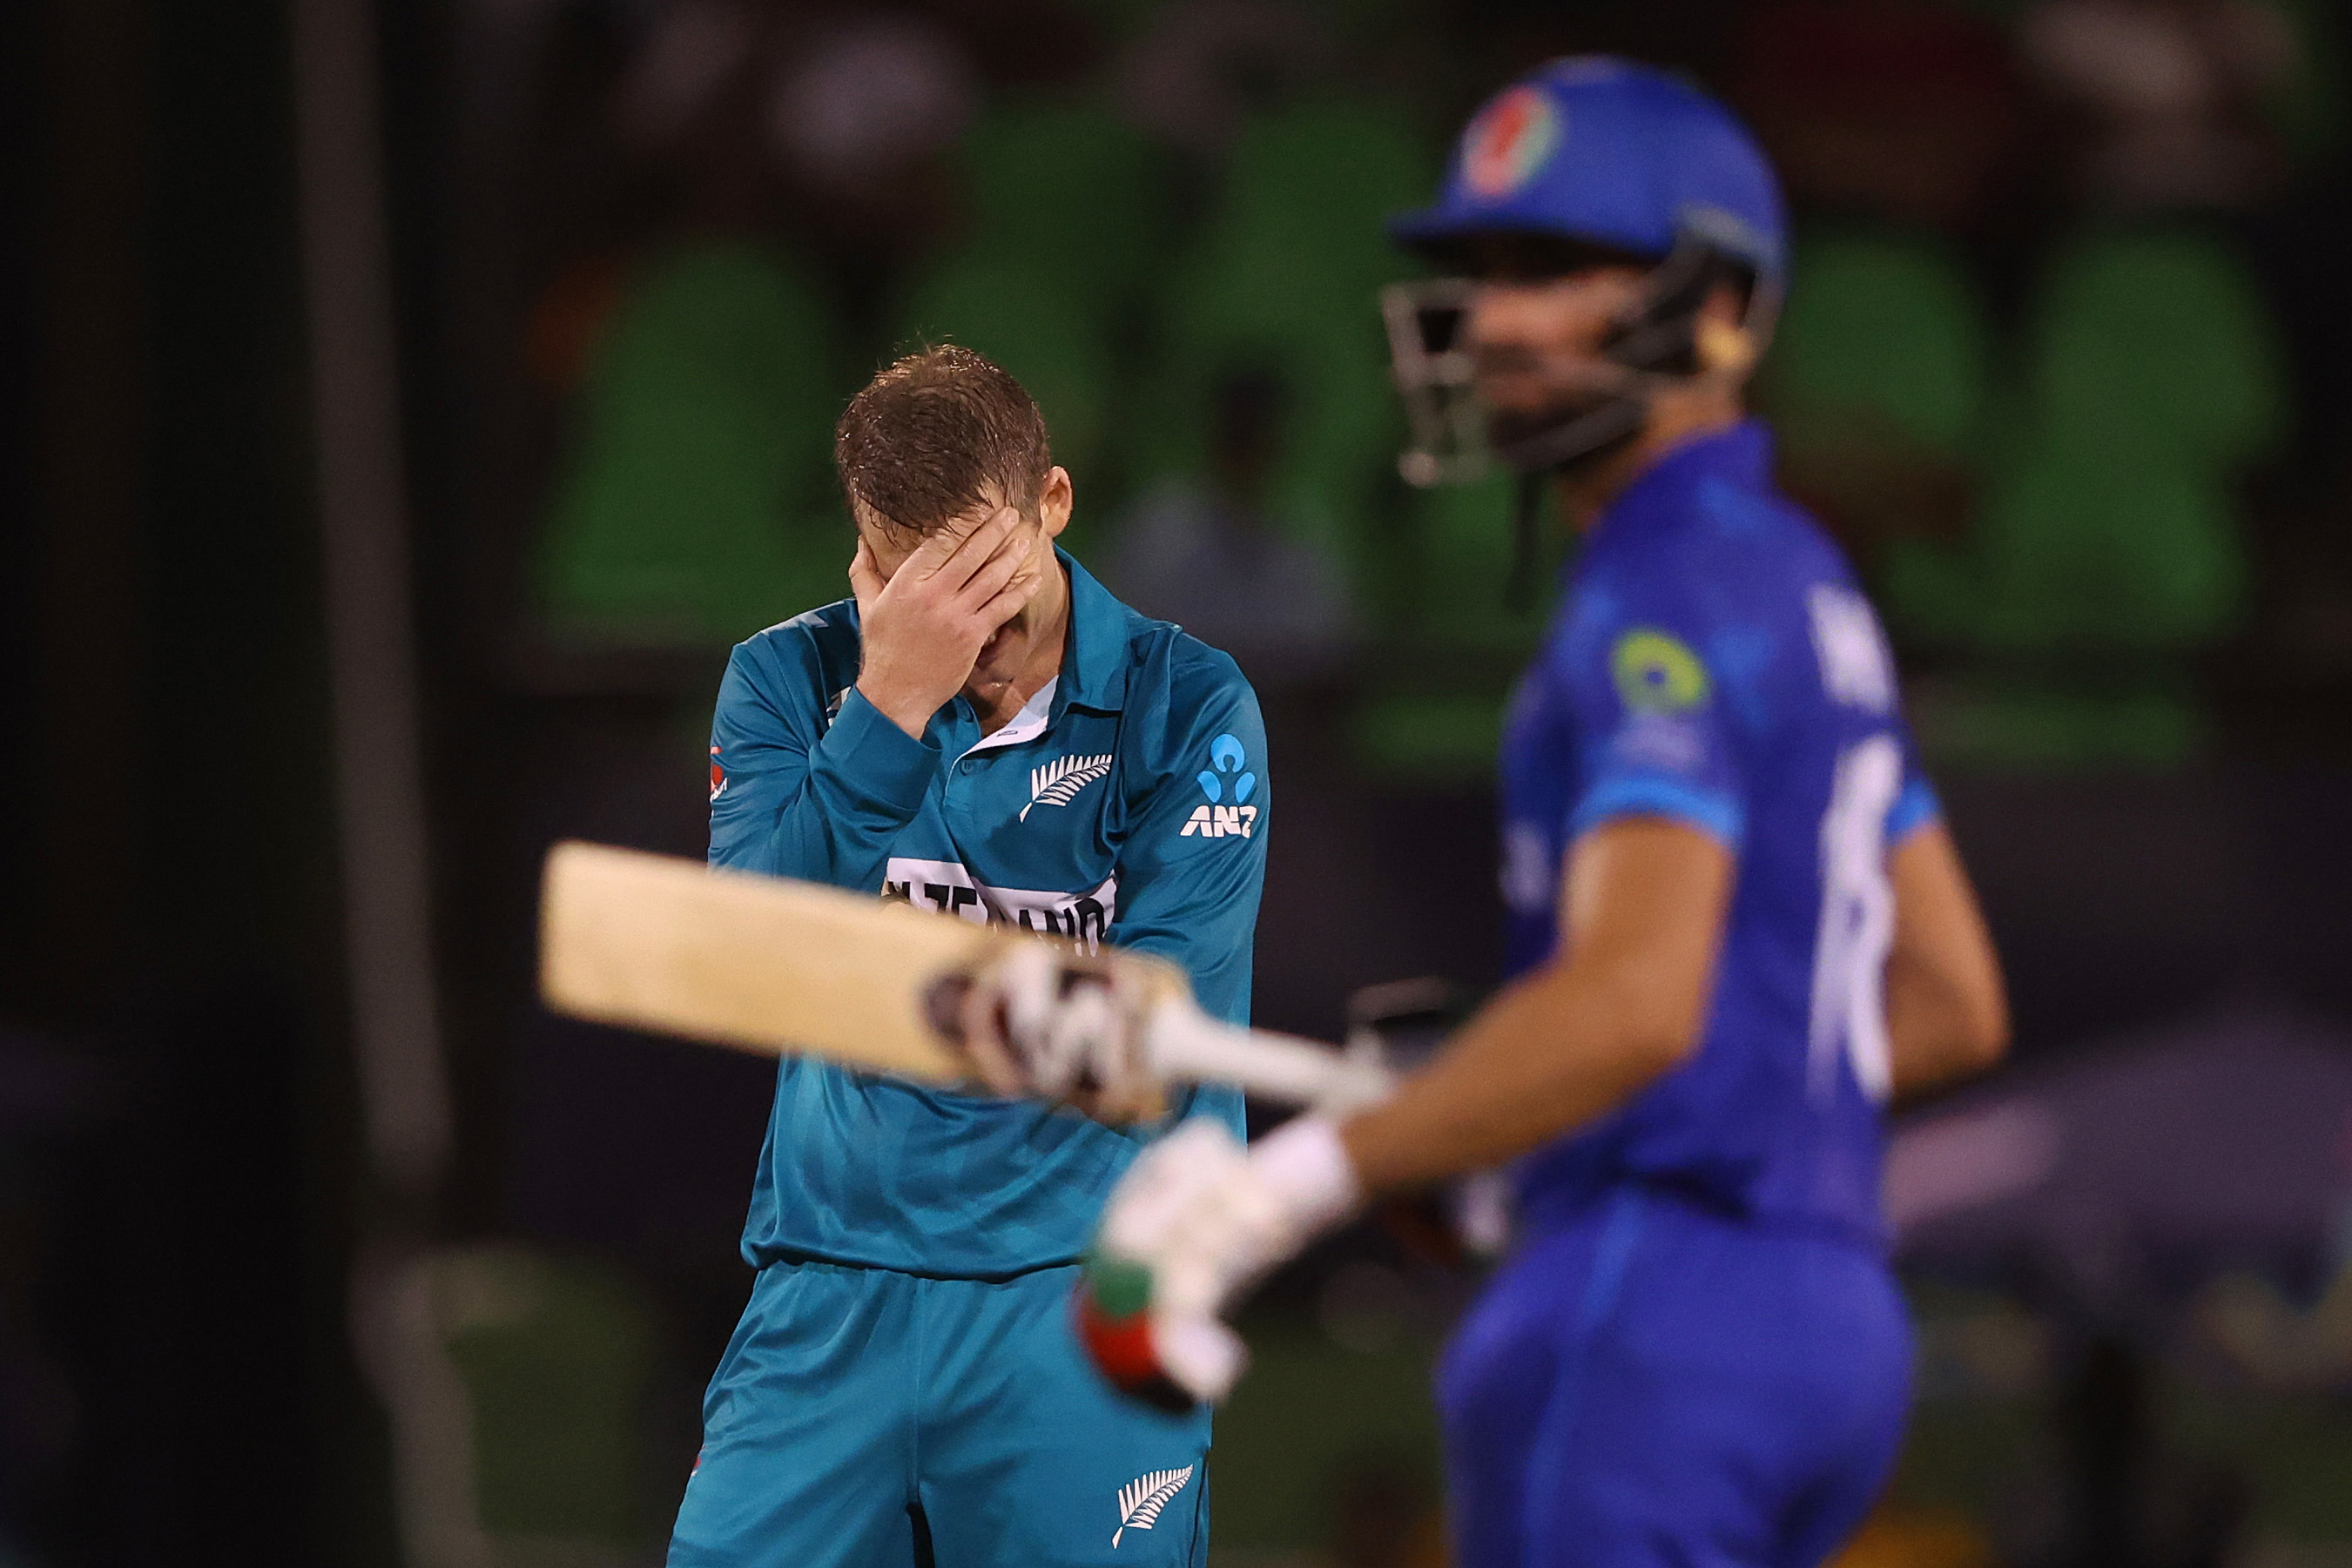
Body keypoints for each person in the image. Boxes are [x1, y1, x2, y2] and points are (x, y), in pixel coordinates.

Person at [1006, 59, 2011, 1568]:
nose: (1493, 320)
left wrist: (1286, 1185)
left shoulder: (1652, 592)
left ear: (1718, 308)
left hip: (1642, 1323)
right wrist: (1504, 1103)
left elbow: (1634, 1001)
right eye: (1479, 274)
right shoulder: (1799, 578)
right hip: (1831, 1325)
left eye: (1552, 268)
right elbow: (1941, 1002)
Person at [671, 345, 1268, 1566]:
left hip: (1077, 1295)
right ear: (858, 544)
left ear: (1052, 501)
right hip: (829, 1294)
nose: (956, 629)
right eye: (906, 582)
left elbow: (1151, 1032)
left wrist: (882, 978)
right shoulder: (789, 682)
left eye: (982, 574)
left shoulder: (1187, 706)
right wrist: (885, 710)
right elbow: (745, 963)